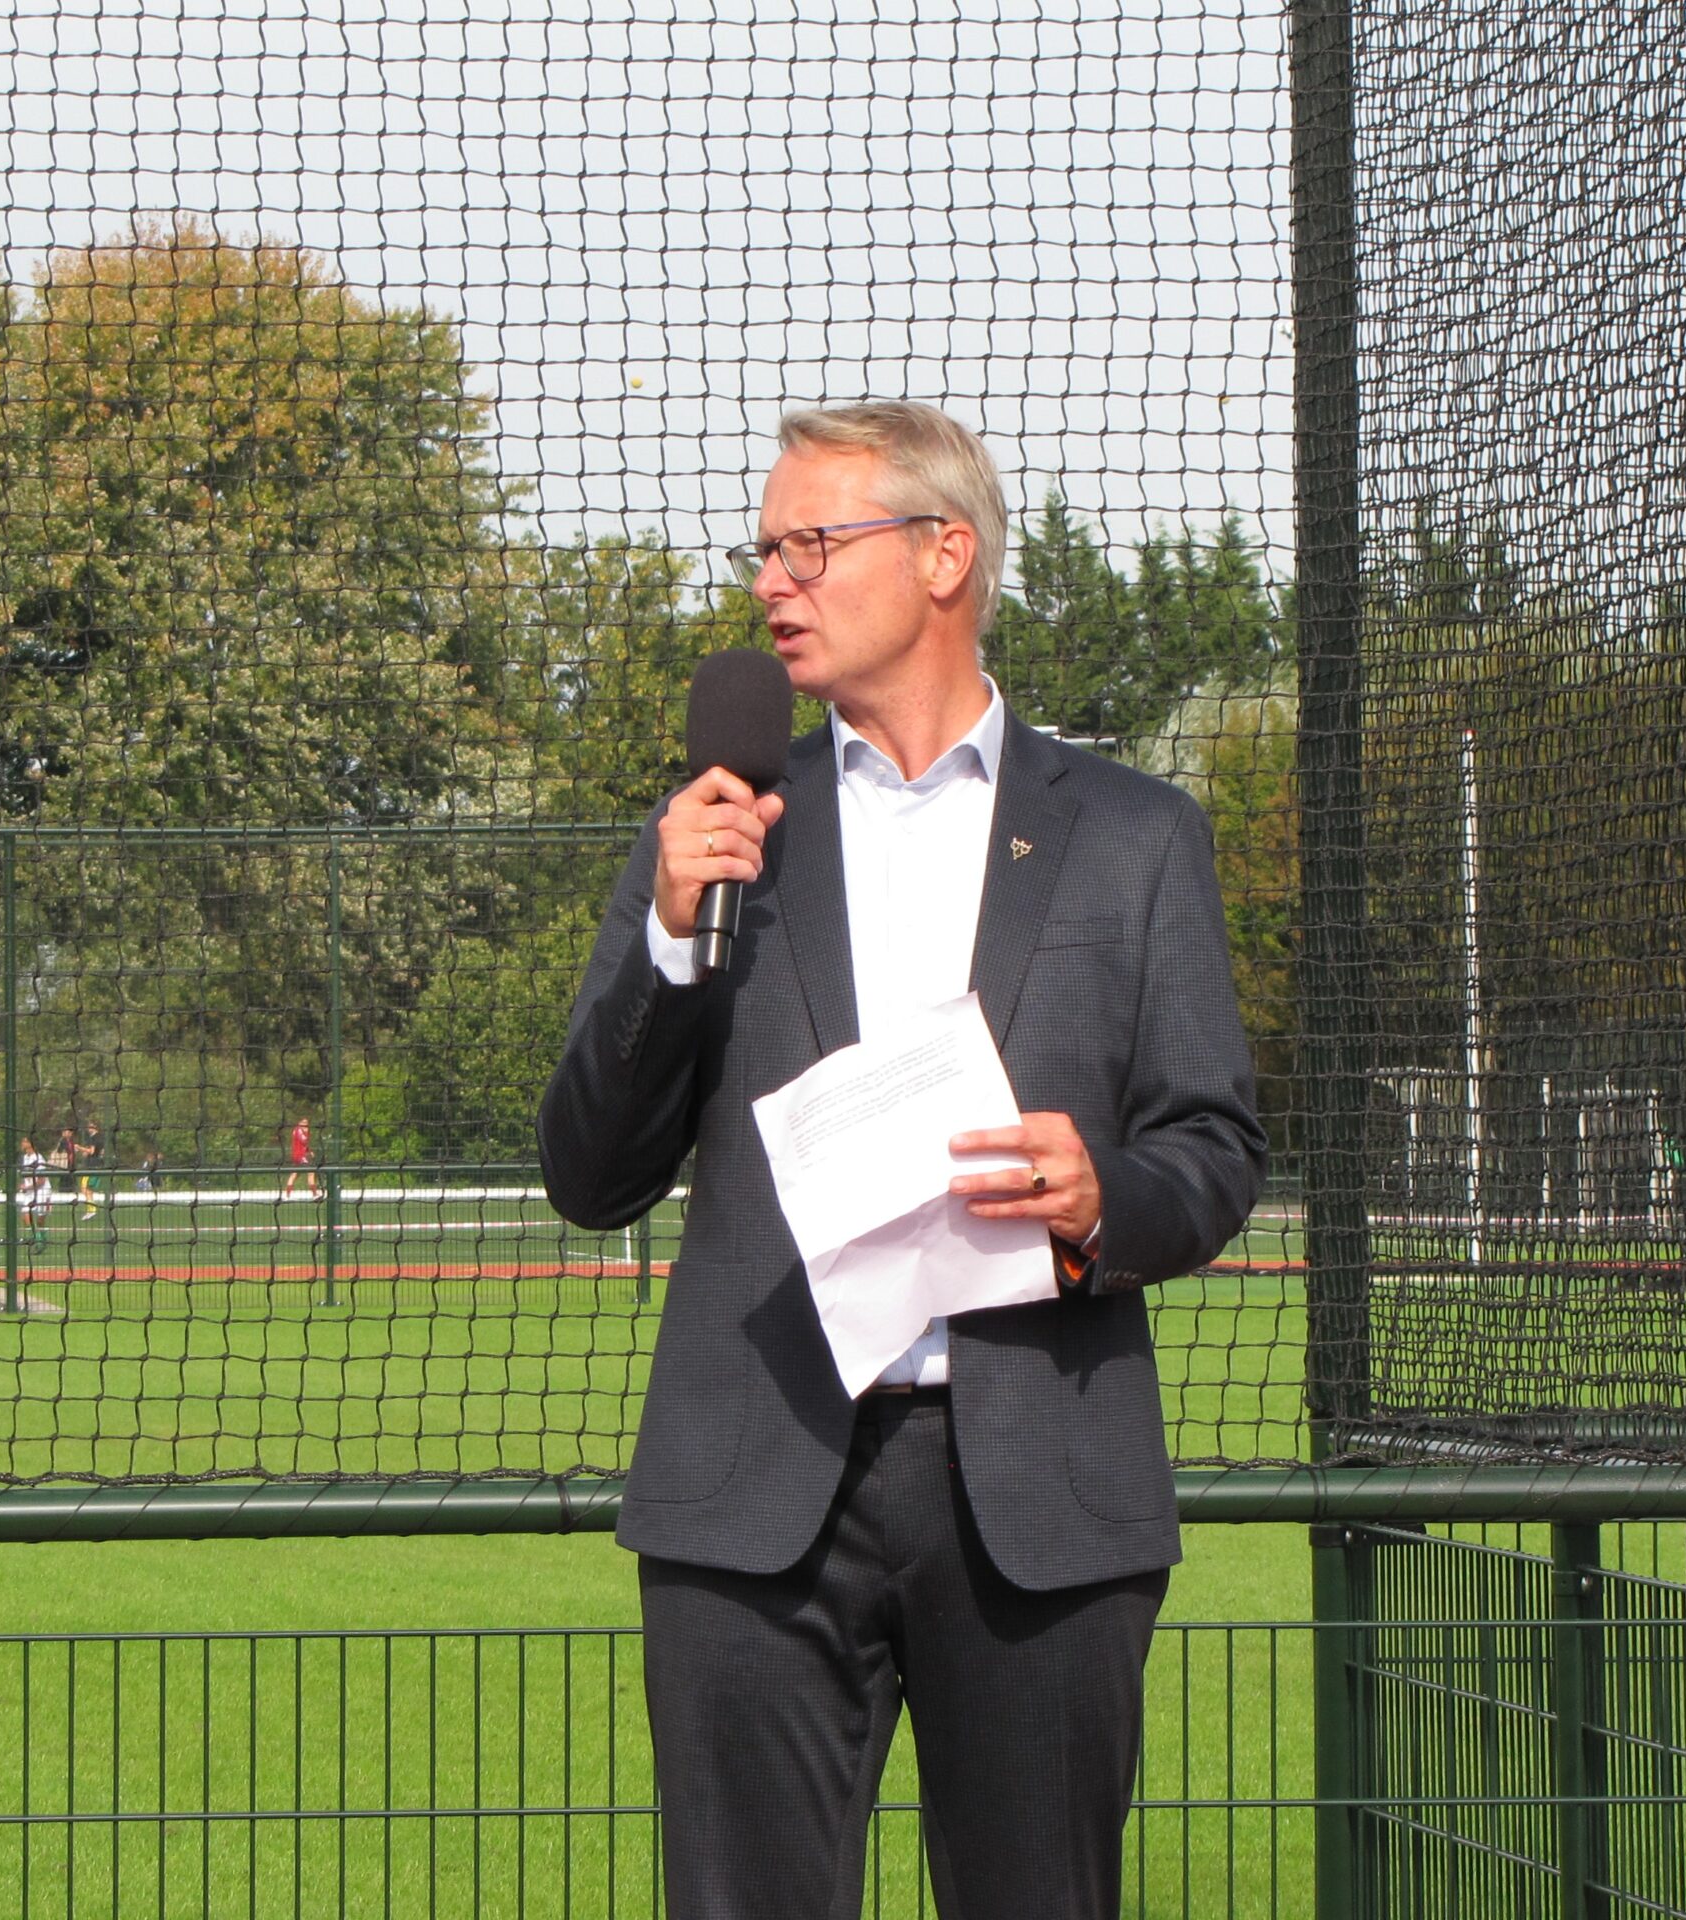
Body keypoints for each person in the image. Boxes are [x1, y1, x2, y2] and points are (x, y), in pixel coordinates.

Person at [540, 402, 1264, 1919]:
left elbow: (1212, 1150)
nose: (770, 584)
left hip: (1040, 1492)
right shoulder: (722, 837)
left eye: (812, 543)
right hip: (756, 1491)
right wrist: (670, 940)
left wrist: (1099, 1200)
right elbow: (592, 1173)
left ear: (947, 555)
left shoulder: (1133, 837)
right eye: (766, 550)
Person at [17, 1135, 53, 1251]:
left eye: (24, 1141)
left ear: (30, 1144)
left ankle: (41, 1238)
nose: (22, 1144)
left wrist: (27, 1187)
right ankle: (38, 1240)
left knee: (40, 1219)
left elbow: (41, 1180)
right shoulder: (24, 1157)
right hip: (30, 1191)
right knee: (25, 1216)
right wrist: (23, 1185)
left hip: (42, 1190)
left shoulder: (39, 1159)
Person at [281, 1116, 315, 1199]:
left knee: (295, 1174)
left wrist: (309, 1151)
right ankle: (315, 1194)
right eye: (303, 1123)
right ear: (299, 1123)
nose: (305, 1125)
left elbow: (303, 1145)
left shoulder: (299, 1130)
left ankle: (287, 1195)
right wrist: (306, 1133)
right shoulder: (298, 1130)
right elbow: (304, 1141)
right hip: (300, 1156)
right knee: (311, 1172)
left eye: (306, 1123)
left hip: (297, 1155)